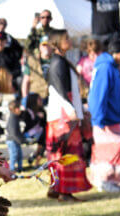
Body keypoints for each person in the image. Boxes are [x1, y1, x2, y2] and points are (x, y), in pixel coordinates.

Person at [46, 29, 91, 199]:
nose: (70, 41)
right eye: (66, 39)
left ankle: (57, 188)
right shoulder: (58, 63)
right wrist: (72, 110)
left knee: (61, 154)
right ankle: (64, 190)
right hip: (63, 115)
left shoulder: (60, 61)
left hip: (63, 113)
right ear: (57, 41)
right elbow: (60, 91)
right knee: (66, 154)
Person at [88, 39, 120, 192]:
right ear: (116, 53)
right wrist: (99, 118)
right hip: (104, 119)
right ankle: (102, 180)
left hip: (112, 117)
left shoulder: (113, 67)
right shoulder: (105, 67)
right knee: (110, 149)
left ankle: (112, 180)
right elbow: (99, 94)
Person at [0, 19, 24, 91]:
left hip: (9, 79)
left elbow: (18, 56)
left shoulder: (10, 43)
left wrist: (10, 77)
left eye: (4, 25)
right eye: (0, 23)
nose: (2, 26)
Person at [6, 100, 25, 172]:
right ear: (15, 109)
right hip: (12, 140)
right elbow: (13, 132)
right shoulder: (13, 118)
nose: (20, 109)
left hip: (15, 140)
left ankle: (20, 168)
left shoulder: (15, 116)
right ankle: (12, 169)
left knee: (19, 155)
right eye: (19, 108)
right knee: (14, 155)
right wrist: (20, 140)